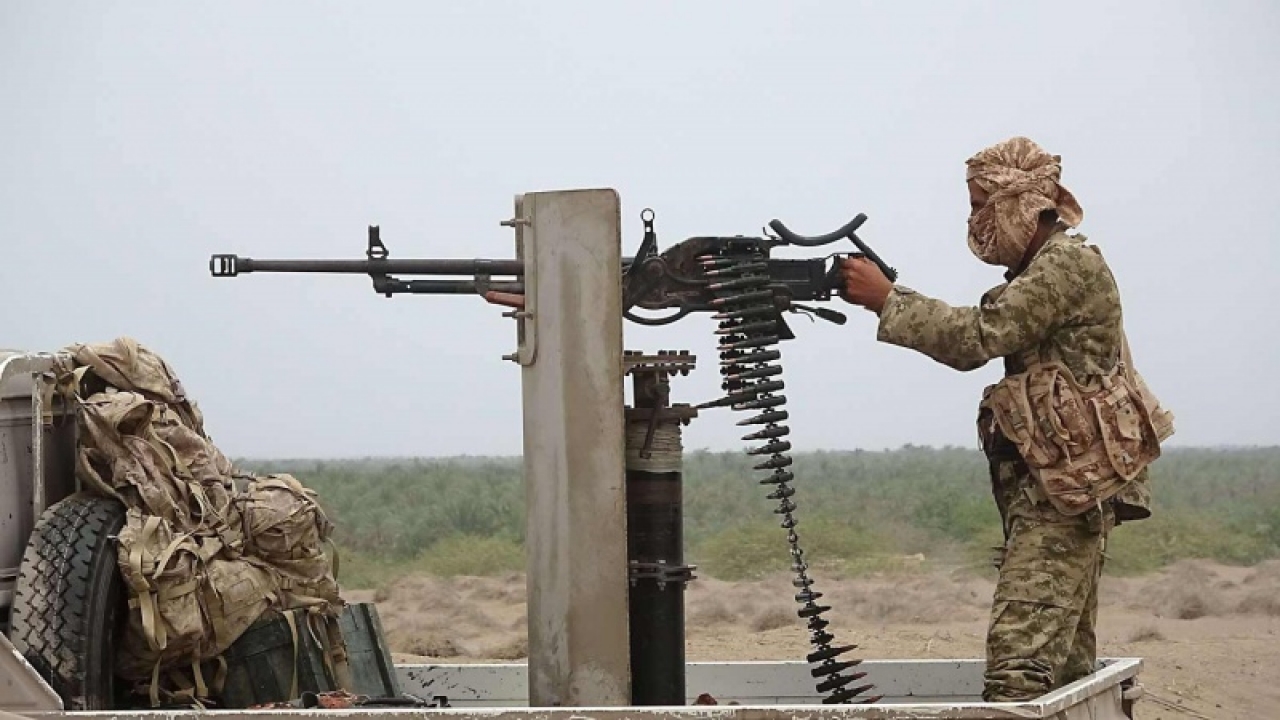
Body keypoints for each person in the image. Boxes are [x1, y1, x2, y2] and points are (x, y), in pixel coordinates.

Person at [837, 136, 1175, 702]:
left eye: (980, 205)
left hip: (1066, 497)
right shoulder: (1039, 271)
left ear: (1020, 203)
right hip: (1057, 488)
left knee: (1018, 671)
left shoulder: (1065, 267)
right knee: (1064, 670)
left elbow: (980, 336)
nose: (975, 221)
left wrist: (888, 300)